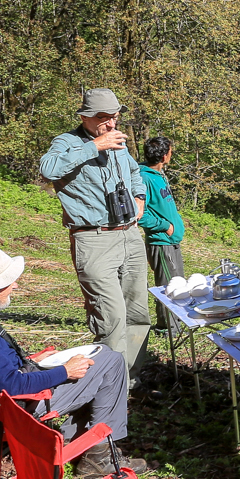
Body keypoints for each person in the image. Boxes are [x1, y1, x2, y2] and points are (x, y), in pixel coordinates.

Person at [0, 246, 144, 479]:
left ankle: (81, 440)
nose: (15, 286)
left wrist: (32, 362)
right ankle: (98, 455)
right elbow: (10, 385)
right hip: (8, 409)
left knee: (103, 353)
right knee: (111, 362)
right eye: (10, 282)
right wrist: (65, 371)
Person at [38, 89, 152, 384]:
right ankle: (111, 385)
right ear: (85, 117)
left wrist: (140, 197)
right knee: (111, 318)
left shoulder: (120, 142)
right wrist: (96, 146)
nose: (112, 125)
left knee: (138, 314)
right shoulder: (68, 142)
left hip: (130, 235)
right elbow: (47, 169)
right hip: (94, 238)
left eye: (115, 117)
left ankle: (131, 378)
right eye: (104, 119)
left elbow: (135, 172)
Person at [138, 137, 185, 336]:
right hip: (161, 242)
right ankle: (169, 328)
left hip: (170, 241)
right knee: (168, 287)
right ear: (165, 156)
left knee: (177, 283)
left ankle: (173, 323)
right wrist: (165, 226)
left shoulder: (157, 175)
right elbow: (140, 213)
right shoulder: (144, 177)